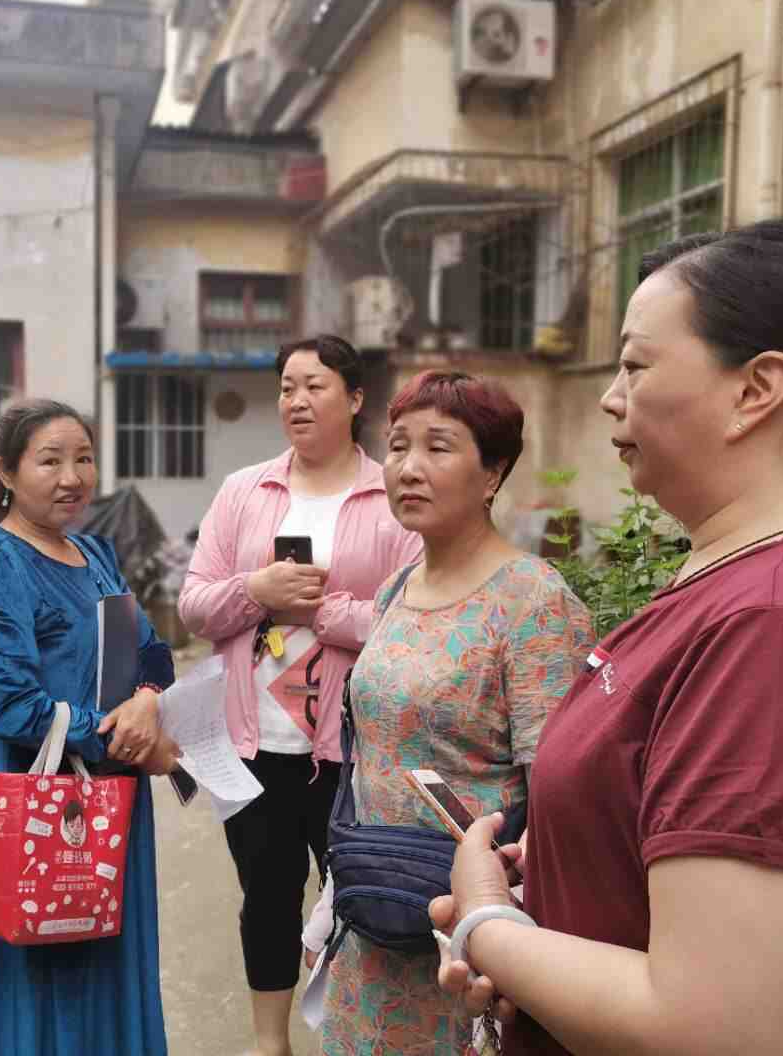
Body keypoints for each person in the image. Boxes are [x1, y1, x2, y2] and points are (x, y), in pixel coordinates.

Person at [433, 219, 783, 1055]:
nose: (610, 396)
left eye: (635, 365)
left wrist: (485, 923)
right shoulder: (748, 578)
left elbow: (724, 1031)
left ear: (756, 389)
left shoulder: (780, 629)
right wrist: (562, 880)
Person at [308, 370, 595, 1056]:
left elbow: (560, 799)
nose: (408, 467)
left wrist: (514, 934)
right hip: (371, 914)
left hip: (464, 942)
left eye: (438, 447)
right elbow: (372, 757)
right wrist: (328, 906)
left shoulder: (534, 603)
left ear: (493, 472)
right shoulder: (396, 590)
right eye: (398, 446)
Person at [178, 335, 423, 1056]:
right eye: (287, 386)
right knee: (267, 897)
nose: (296, 400)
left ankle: (348, 1035)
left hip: (352, 749)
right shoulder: (244, 491)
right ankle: (270, 1044)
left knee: (354, 897)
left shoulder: (392, 497)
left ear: (355, 398)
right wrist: (256, 591)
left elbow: (411, 620)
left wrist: (320, 612)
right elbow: (194, 606)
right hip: (250, 746)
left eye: (315, 386)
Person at [0, 399, 181, 1056]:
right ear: (7, 472)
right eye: (50, 461)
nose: (72, 477)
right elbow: (11, 706)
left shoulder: (95, 554)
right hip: (40, 804)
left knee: (105, 958)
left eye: (84, 459)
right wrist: (126, 739)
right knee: (41, 968)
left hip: (110, 801)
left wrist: (147, 702)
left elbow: (153, 651)